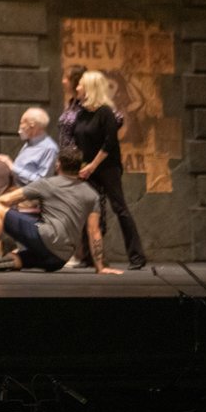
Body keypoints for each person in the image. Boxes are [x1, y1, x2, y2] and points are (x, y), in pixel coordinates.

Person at [0, 146, 121, 275]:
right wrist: (100, 267)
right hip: (60, 259)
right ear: (80, 167)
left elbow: (7, 200)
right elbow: (94, 231)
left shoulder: (47, 184)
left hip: (45, 238)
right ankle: (9, 261)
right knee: (19, 258)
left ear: (58, 164)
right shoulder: (91, 194)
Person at [73, 70, 147, 270]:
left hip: (107, 167)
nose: (76, 87)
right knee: (89, 209)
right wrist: (80, 166)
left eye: (80, 84)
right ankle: (89, 257)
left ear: (90, 88)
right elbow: (78, 141)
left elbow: (110, 143)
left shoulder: (105, 112)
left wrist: (92, 166)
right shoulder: (81, 113)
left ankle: (137, 257)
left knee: (119, 207)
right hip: (86, 168)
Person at [0, 108, 59, 186]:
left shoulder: (49, 149)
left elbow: (42, 182)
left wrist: (12, 166)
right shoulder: (29, 142)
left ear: (32, 125)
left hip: (31, 195)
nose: (20, 127)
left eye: (22, 123)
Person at [58, 64, 87, 147]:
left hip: (80, 157)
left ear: (76, 81)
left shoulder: (87, 104)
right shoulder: (72, 103)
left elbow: (118, 118)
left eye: (66, 78)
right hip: (67, 155)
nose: (63, 81)